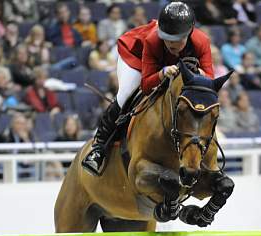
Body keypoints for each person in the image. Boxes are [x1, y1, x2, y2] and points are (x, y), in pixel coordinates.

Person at [82, 2, 214, 176]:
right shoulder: (153, 39)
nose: (170, 43)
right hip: (135, 57)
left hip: (162, 63)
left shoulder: (202, 41)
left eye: (177, 39)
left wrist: (200, 74)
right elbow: (145, 85)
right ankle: (98, 148)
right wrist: (162, 73)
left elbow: (210, 82)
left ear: (190, 32)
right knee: (125, 94)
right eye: (166, 37)